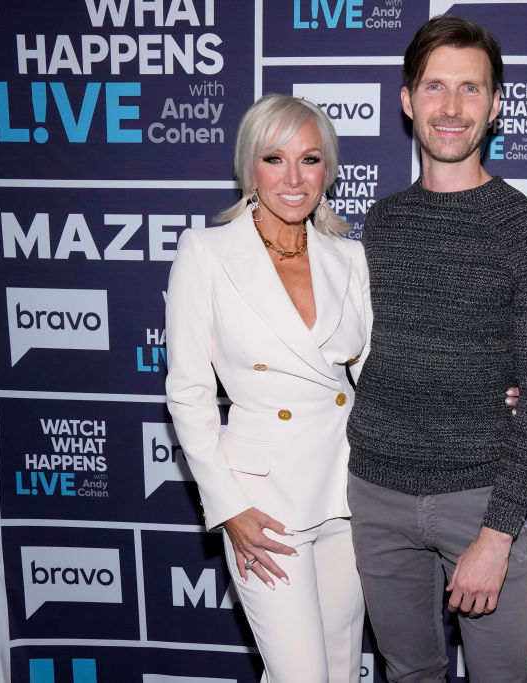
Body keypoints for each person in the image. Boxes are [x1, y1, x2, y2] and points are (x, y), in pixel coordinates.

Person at [345, 15, 527, 683]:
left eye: (470, 88)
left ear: (496, 105)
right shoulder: (380, 222)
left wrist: (497, 536)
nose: (451, 107)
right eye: (434, 87)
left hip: (483, 499)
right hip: (375, 494)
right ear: (407, 100)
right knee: (408, 673)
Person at [165, 94, 370, 682]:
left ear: (327, 170)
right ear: (249, 167)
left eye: (310, 159)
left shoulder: (349, 258)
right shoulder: (207, 253)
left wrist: (483, 395)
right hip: (264, 504)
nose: (293, 178)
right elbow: (188, 393)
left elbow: (381, 377)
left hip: (346, 491)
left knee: (340, 669)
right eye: (274, 159)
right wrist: (229, 508)